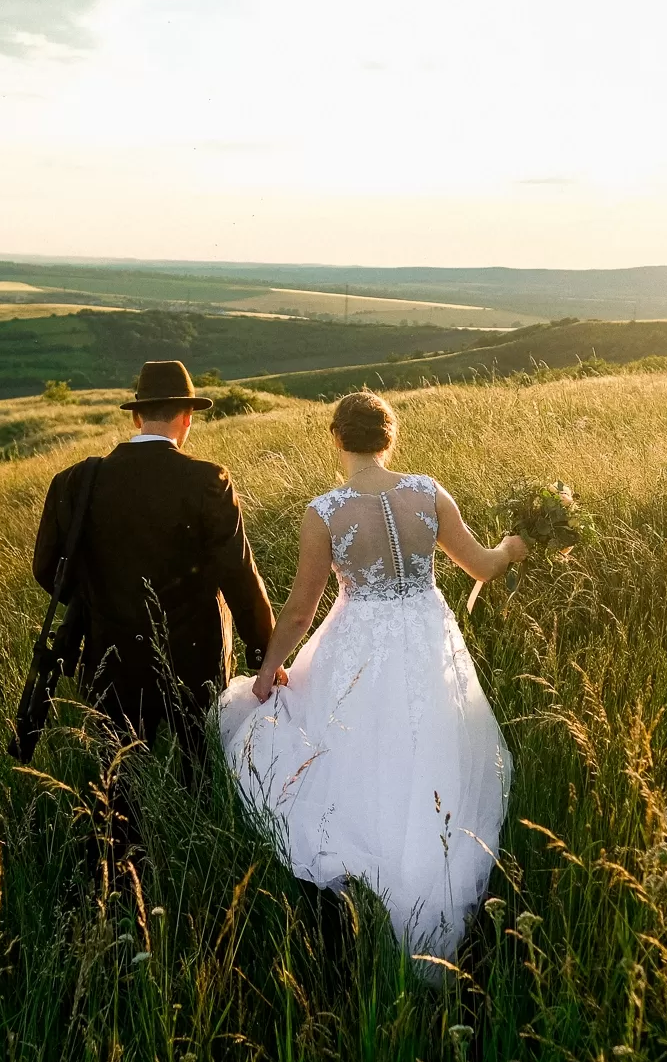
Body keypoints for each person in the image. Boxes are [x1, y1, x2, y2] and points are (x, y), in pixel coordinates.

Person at [216, 391, 525, 970]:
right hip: (427, 638)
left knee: (352, 748)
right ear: (390, 437)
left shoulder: (325, 512)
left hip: (357, 642)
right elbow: (483, 566)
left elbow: (301, 612)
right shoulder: (429, 492)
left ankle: (368, 879)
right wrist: (512, 546)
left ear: (337, 437)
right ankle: (431, 879)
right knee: (429, 746)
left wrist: (266, 672)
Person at [31, 361, 276, 780]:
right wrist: (264, 652)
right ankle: (192, 845)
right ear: (187, 418)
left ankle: (120, 848)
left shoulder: (74, 482)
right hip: (195, 660)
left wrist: (103, 600)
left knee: (118, 781)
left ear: (136, 415)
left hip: (110, 658)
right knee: (197, 778)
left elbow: (46, 570)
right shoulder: (207, 480)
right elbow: (238, 573)